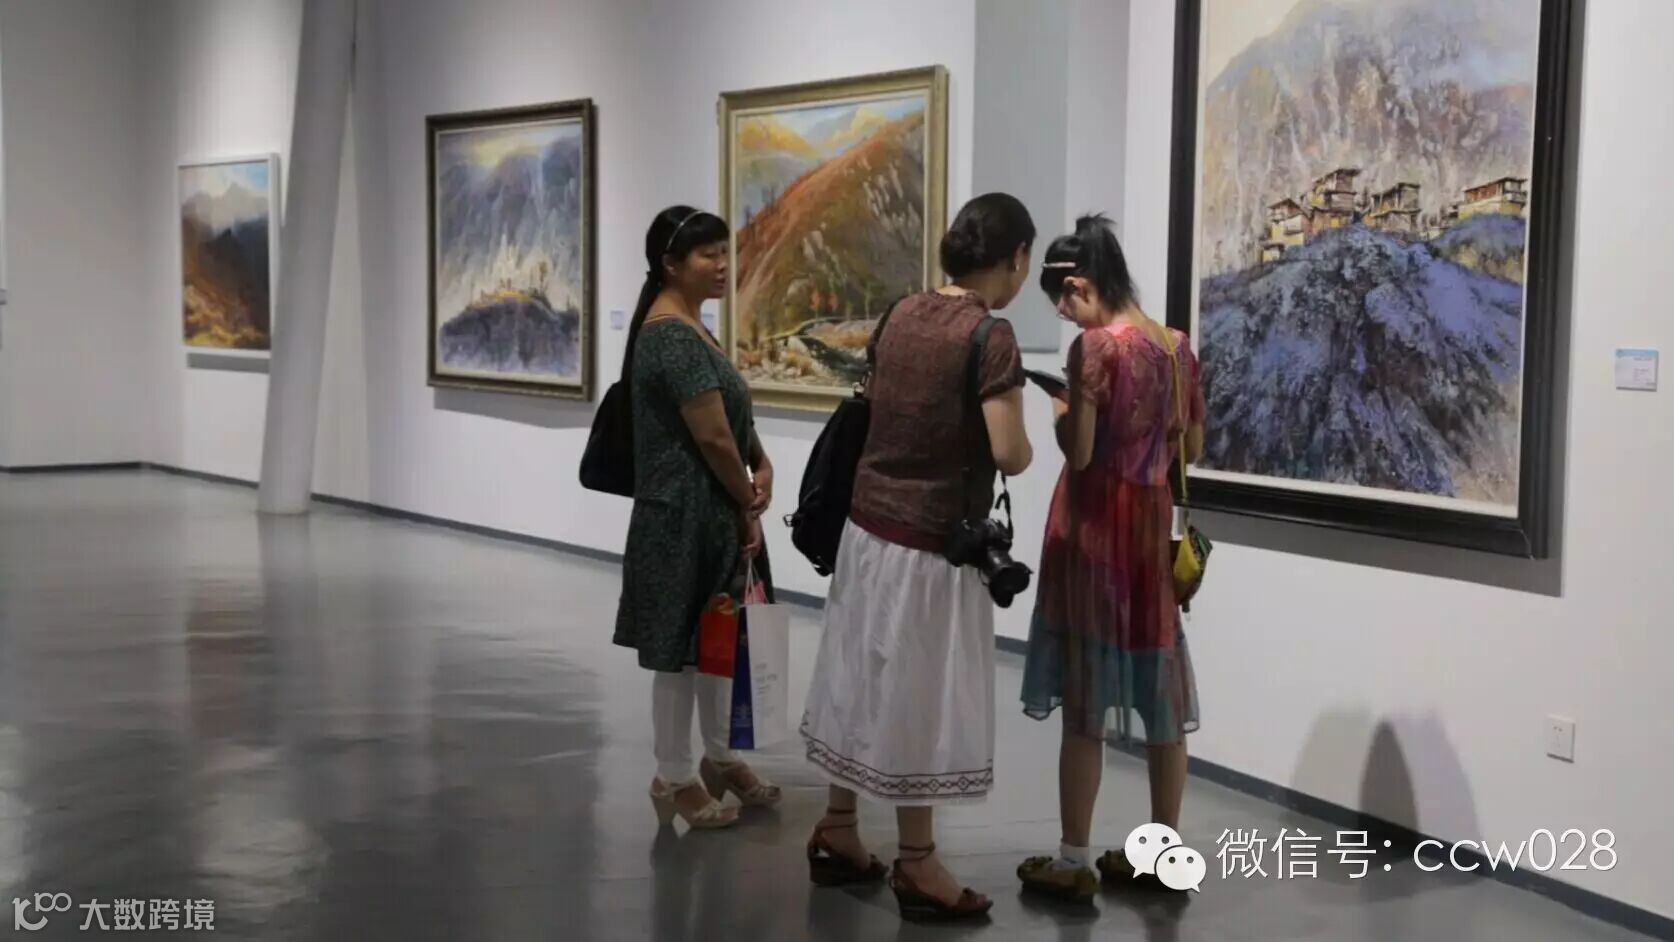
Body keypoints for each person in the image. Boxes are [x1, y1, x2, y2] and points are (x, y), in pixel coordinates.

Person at [800, 193, 1036, 921]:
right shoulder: (990, 336)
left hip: (866, 529)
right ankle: (918, 862)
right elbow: (1010, 453)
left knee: (857, 675)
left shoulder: (901, 313)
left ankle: (839, 828)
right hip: (931, 546)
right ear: (1016, 258)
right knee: (917, 697)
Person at [1014, 214, 1206, 902]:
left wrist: (1061, 411)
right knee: (1160, 693)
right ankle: (1164, 850)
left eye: (1061, 301)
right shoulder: (1175, 346)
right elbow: (1194, 448)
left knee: (1085, 699)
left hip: (1094, 530)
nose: (1062, 315)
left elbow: (1082, 451)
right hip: (1150, 529)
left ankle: (1073, 859)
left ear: (1080, 285)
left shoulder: (1095, 348)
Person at [614, 205, 781, 831]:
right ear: (671, 264)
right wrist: (747, 500)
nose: (722, 265)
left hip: (709, 513)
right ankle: (674, 775)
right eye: (708, 254)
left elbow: (729, 417)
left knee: (717, 641)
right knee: (681, 653)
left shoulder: (694, 329)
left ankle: (720, 755)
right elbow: (711, 437)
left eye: (724, 252)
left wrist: (760, 463)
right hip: (681, 518)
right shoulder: (670, 336)